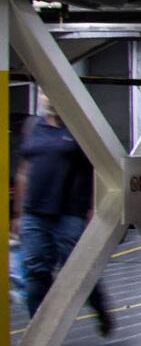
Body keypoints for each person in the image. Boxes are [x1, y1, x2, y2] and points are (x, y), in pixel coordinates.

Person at [15, 94, 111, 333]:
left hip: (70, 212)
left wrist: (93, 209)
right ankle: (38, 328)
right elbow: (24, 170)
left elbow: (97, 169)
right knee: (36, 269)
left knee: (76, 269)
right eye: (44, 94)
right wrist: (18, 212)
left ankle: (99, 307)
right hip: (34, 212)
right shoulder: (33, 127)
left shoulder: (78, 128)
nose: (48, 99)